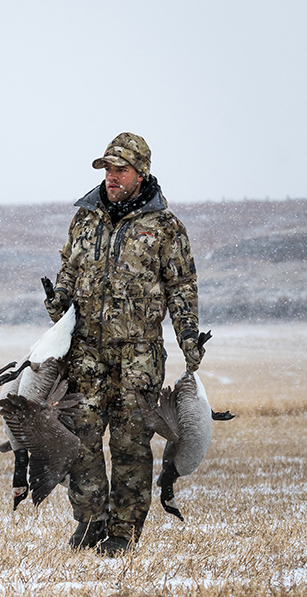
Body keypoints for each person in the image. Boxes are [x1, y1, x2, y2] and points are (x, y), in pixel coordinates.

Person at [43, 132, 204, 557]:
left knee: (131, 443)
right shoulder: (85, 218)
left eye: (121, 170)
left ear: (141, 173)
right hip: (86, 352)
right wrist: (58, 299)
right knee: (80, 438)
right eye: (108, 170)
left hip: (139, 354)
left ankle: (124, 530)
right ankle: (91, 521)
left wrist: (188, 336)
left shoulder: (165, 227)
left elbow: (182, 285)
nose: (112, 178)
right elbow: (69, 268)